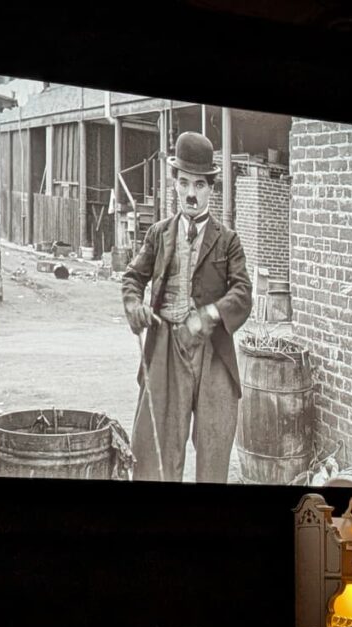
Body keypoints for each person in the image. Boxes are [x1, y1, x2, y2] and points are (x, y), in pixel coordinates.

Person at [121, 131, 252, 482]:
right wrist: (133, 304)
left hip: (213, 353)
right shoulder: (159, 234)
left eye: (199, 185)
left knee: (215, 447)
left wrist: (211, 314)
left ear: (211, 188)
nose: (191, 194)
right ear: (174, 185)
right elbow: (133, 277)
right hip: (165, 346)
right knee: (154, 454)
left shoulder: (228, 242)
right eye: (184, 183)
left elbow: (243, 293)